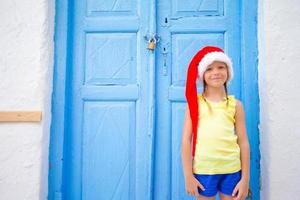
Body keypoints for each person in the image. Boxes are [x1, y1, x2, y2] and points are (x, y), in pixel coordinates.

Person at [181, 46, 250, 200]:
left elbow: (243, 142)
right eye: (209, 69)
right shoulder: (195, 104)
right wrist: (188, 176)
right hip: (204, 171)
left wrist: (245, 179)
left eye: (221, 67)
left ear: (228, 71)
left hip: (232, 170)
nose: (216, 72)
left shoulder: (236, 105)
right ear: (202, 75)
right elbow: (186, 141)